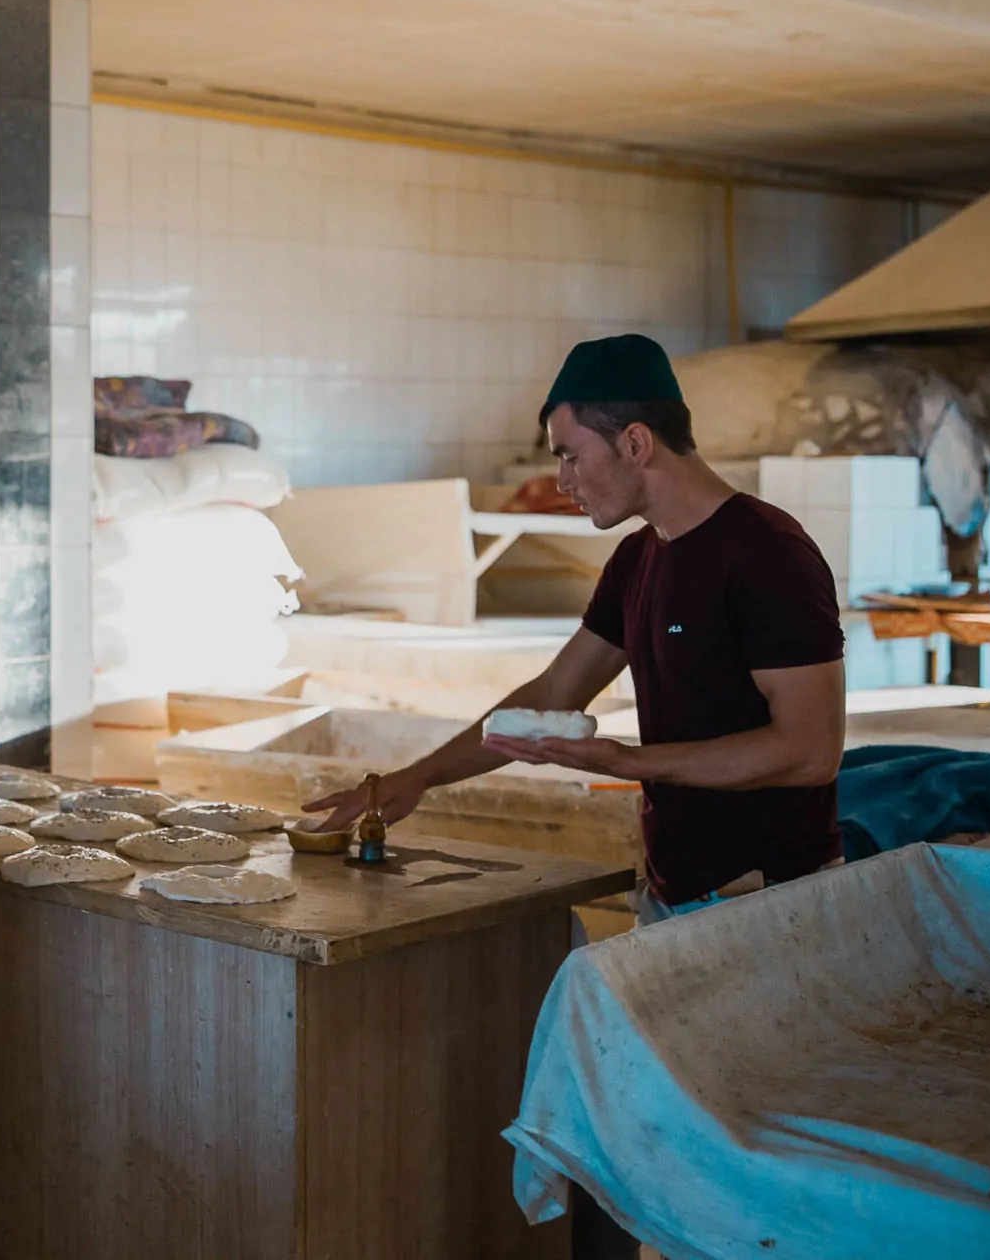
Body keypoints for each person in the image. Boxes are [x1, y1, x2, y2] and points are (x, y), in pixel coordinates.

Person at [305, 333, 847, 925]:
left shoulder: (767, 552)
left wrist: (629, 762)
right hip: (675, 890)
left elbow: (810, 751)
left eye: (570, 455)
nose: (563, 482)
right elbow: (553, 693)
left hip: (771, 899)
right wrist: (415, 778)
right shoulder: (637, 559)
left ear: (636, 442)